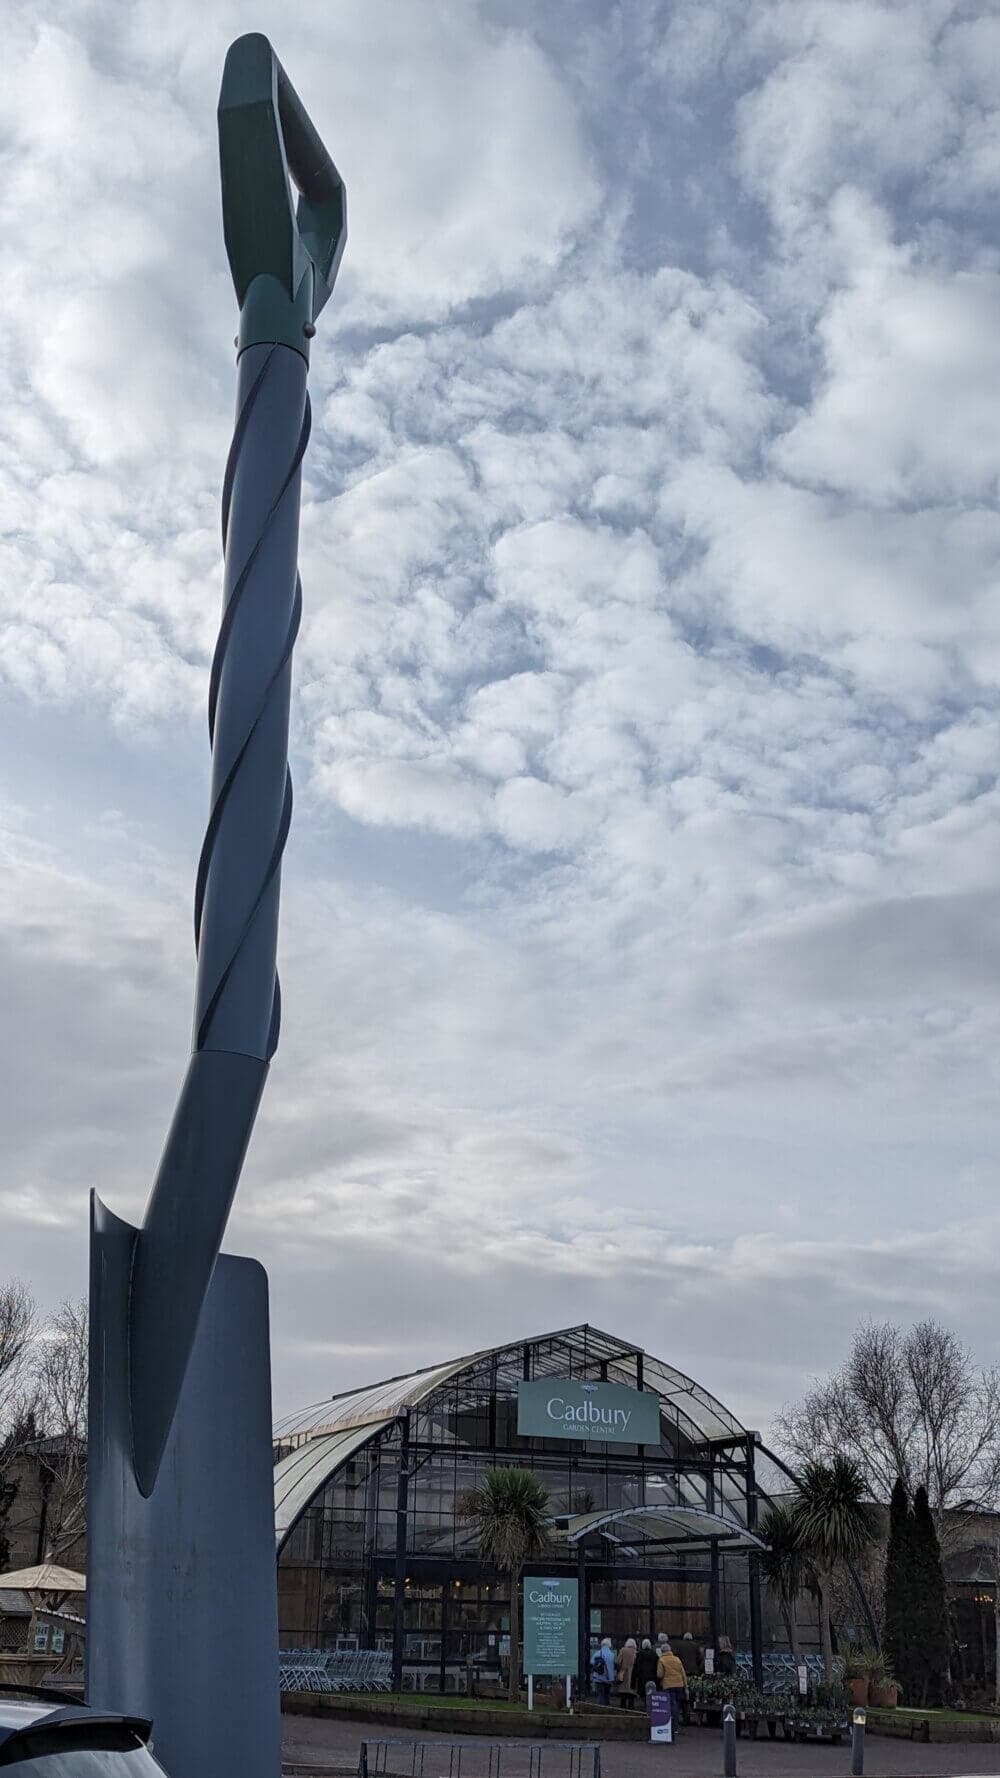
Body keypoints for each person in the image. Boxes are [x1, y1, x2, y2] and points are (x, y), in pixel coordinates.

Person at [656, 1638, 688, 1736]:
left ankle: (670, 1727)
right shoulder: (677, 1659)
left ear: (662, 1651)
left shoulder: (661, 1660)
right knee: (676, 1706)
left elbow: (660, 1674)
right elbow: (683, 1673)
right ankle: (676, 1727)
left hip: (668, 1685)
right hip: (679, 1684)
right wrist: (685, 1686)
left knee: (670, 1706)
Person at [676, 1632, 699, 1723]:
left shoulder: (680, 1646)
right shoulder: (696, 1646)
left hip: (683, 1673)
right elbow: (700, 1659)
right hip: (693, 1673)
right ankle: (689, 1715)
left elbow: (677, 1659)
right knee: (690, 1696)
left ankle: (683, 1716)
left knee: (683, 1696)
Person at [634, 1637, 659, 1710]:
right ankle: (651, 1706)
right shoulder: (654, 1654)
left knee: (644, 1693)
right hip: (652, 1676)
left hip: (643, 1677)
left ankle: (646, 1706)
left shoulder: (640, 1654)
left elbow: (637, 1666)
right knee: (652, 1692)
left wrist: (637, 1675)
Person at [591, 1636, 615, 1706]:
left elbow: (592, 1662)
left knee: (600, 1694)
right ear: (609, 1645)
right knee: (607, 1695)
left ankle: (600, 1708)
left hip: (598, 1677)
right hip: (608, 1678)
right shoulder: (612, 1654)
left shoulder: (597, 1653)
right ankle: (607, 1707)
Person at [616, 1637, 637, 1709]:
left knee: (623, 1691)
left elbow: (618, 1661)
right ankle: (631, 1706)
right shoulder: (635, 1652)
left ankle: (623, 1706)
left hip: (623, 1673)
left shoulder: (622, 1650)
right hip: (632, 1673)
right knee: (631, 1691)